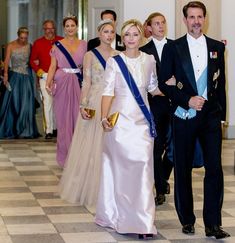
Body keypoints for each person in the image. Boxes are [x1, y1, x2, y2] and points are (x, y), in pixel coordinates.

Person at [95, 19, 175, 239]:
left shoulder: (149, 60)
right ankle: (119, 216)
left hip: (142, 124)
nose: (131, 38)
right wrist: (104, 118)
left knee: (143, 170)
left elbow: (152, 88)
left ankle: (142, 221)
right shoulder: (114, 61)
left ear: (142, 36)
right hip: (120, 124)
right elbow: (108, 92)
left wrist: (174, 87)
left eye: (135, 34)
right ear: (123, 37)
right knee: (121, 173)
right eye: (127, 34)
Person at [158, 1, 230, 239]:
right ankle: (187, 219)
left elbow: (221, 85)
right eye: (192, 17)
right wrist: (186, 99)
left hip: (210, 117)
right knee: (183, 168)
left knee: (214, 170)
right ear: (185, 20)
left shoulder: (217, 47)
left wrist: (222, 117)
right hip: (184, 115)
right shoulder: (173, 48)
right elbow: (163, 83)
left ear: (204, 18)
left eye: (200, 17)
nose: (196, 21)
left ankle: (213, 224)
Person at [59, 19, 117, 208]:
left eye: (111, 31)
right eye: (105, 31)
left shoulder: (119, 55)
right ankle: (89, 186)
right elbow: (87, 82)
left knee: (111, 146)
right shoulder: (90, 55)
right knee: (91, 145)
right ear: (99, 34)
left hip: (113, 101)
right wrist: (83, 104)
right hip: (94, 100)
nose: (109, 35)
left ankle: (111, 187)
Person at [140, 12, 173, 206]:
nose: (161, 26)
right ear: (150, 28)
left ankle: (163, 178)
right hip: (155, 105)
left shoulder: (176, 46)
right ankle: (160, 188)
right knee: (157, 146)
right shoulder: (144, 51)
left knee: (176, 149)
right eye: (156, 23)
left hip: (176, 104)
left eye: (163, 22)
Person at [46, 15, 87, 167]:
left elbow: (88, 66)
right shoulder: (57, 45)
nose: (70, 28)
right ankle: (64, 156)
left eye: (72, 25)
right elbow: (52, 66)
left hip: (78, 82)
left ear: (77, 27)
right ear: (64, 28)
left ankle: (78, 156)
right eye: (67, 26)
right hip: (62, 82)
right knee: (63, 121)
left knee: (78, 119)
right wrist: (48, 82)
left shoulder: (84, 44)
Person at [0, 27, 39, 139]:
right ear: (18, 36)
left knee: (26, 104)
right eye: (21, 38)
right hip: (15, 77)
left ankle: (25, 130)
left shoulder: (29, 46)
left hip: (26, 78)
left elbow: (32, 61)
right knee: (14, 103)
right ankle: (12, 128)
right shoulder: (11, 45)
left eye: (25, 38)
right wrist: (6, 74)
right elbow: (7, 60)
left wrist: (36, 76)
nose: (23, 40)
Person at [30, 20, 63, 139]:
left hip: (60, 77)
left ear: (55, 29)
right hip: (44, 76)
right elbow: (33, 61)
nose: (50, 30)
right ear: (44, 29)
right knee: (48, 102)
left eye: (52, 28)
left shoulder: (61, 41)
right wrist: (42, 74)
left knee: (58, 103)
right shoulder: (38, 43)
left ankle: (56, 128)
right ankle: (48, 130)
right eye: (47, 28)